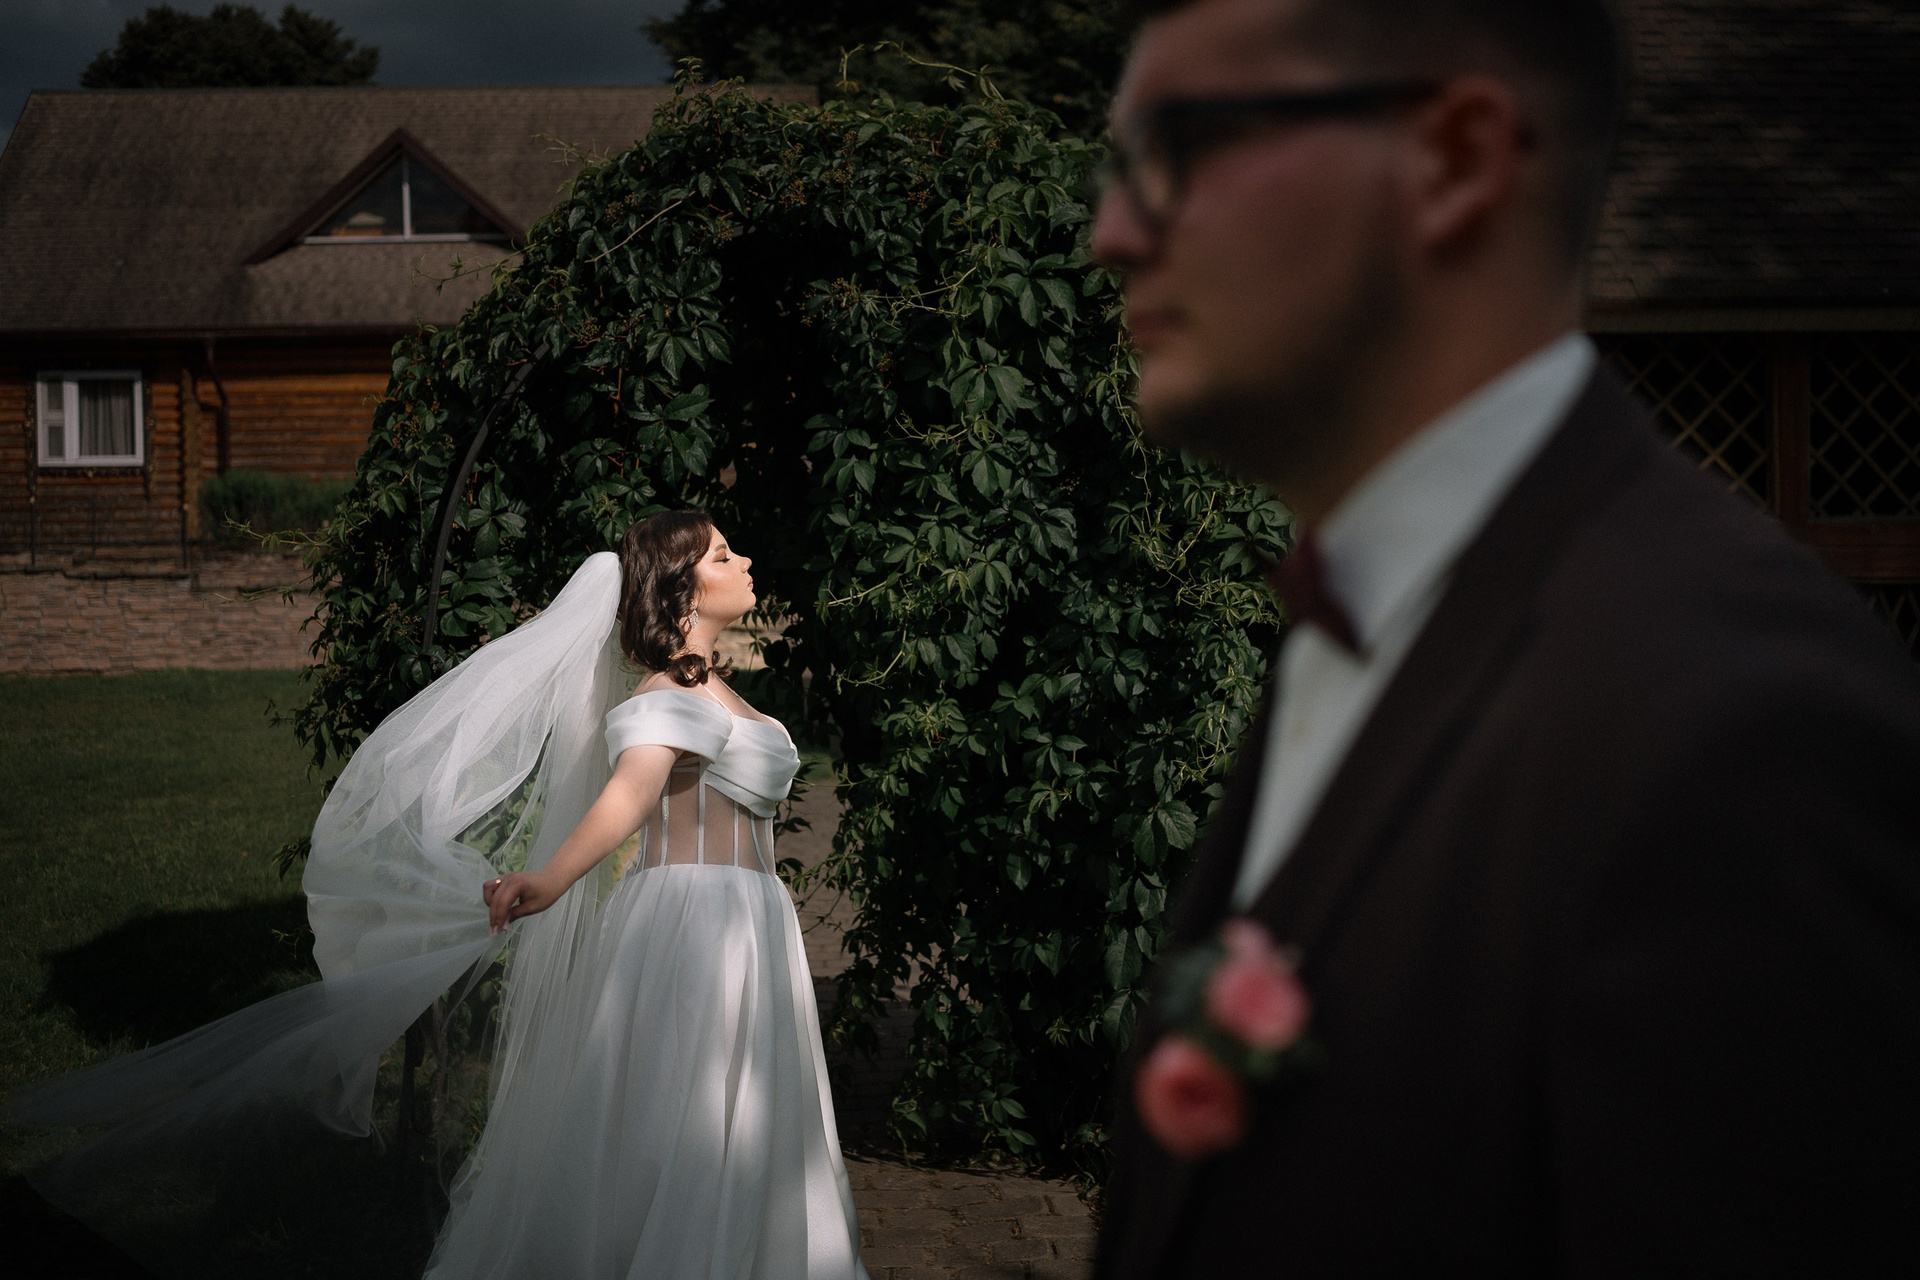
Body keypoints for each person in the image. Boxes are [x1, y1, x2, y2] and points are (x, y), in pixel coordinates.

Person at [1088, 1, 1920, 1276]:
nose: (1112, 231)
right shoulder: (1368, 616)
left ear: (1456, 159)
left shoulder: (1743, 729)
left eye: (1175, 148)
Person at [7, 510, 868, 1280]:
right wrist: (551, 877)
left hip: (749, 920)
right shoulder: (669, 696)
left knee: (750, 1108)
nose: (742, 562)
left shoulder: (714, 688)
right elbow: (629, 797)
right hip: (694, 925)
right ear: (682, 587)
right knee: (694, 1112)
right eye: (722, 554)